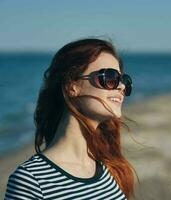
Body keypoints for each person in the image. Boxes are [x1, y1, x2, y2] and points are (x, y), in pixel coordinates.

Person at [4, 38, 136, 200]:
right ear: (71, 86)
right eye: (109, 77)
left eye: (123, 80)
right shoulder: (31, 181)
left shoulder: (109, 169)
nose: (121, 86)